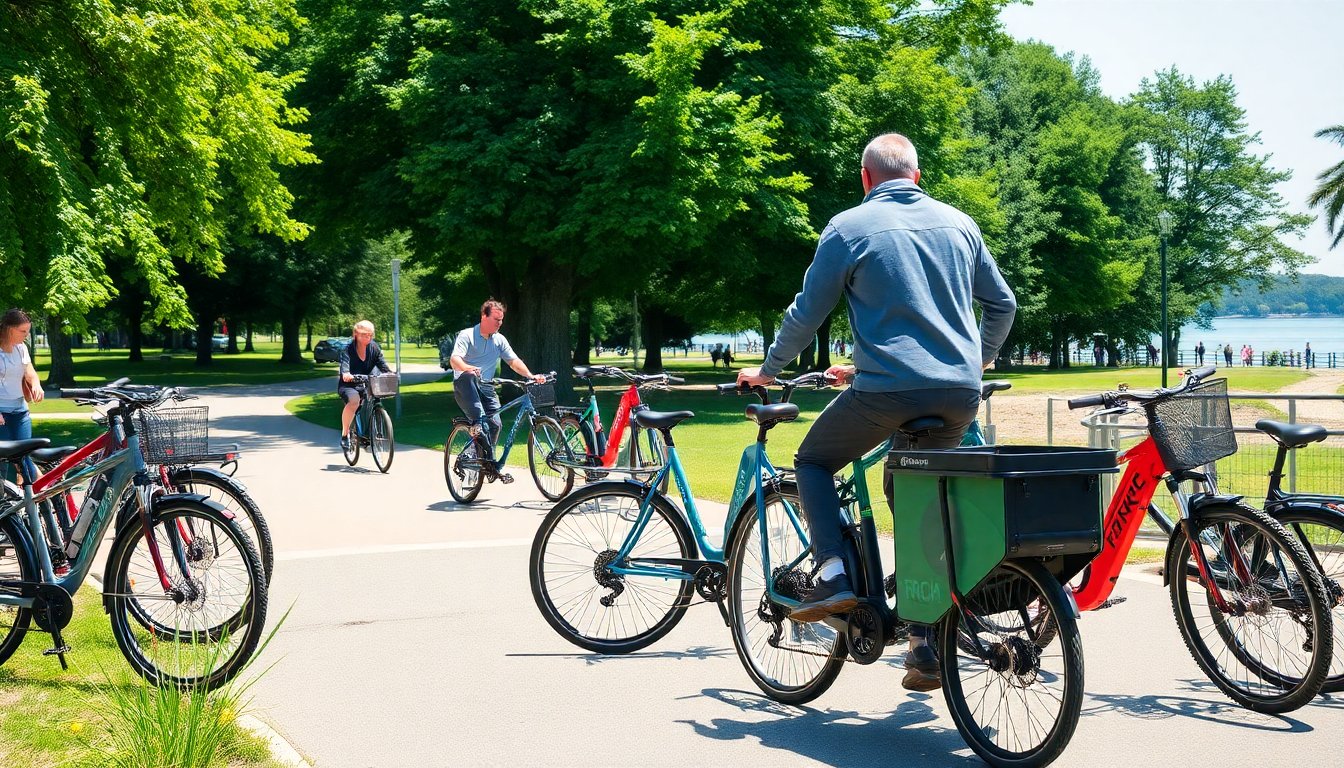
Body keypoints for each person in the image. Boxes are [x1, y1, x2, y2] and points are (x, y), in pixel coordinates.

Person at [736, 133, 1016, 692]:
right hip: (958, 394)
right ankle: (923, 640)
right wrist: (974, 364)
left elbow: (807, 311)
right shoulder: (960, 224)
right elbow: (1002, 304)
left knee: (813, 461)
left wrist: (768, 370)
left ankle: (835, 574)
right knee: (913, 498)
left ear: (866, 178)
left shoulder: (847, 227)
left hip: (888, 392)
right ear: (917, 175)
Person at [448, 300, 546, 476]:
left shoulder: (499, 340)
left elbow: (513, 361)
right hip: (465, 385)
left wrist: (530, 376)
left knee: (495, 424)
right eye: (496, 319)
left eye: (501, 320)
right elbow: (454, 360)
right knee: (472, 385)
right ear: (483, 316)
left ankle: (486, 461)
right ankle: (476, 427)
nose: (499, 323)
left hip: (486, 387)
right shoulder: (467, 335)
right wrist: (467, 367)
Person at [0, 309, 45, 483]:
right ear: (10, 329)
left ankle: (31, 502)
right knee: (3, 461)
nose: (26, 335)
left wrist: (36, 384)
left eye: (28, 331)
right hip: (1, 413)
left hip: (20, 411)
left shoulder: (21, 348)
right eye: (23, 331)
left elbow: (29, 371)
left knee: (24, 457)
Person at [338, 320, 392, 450]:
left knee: (375, 397)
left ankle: (370, 431)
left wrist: (390, 374)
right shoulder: (348, 350)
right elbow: (345, 368)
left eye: (370, 335)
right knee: (354, 401)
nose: (368, 337)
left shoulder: (374, 348)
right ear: (356, 334)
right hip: (349, 385)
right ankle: (345, 435)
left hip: (368, 382)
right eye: (364, 334)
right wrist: (347, 374)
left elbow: (382, 365)